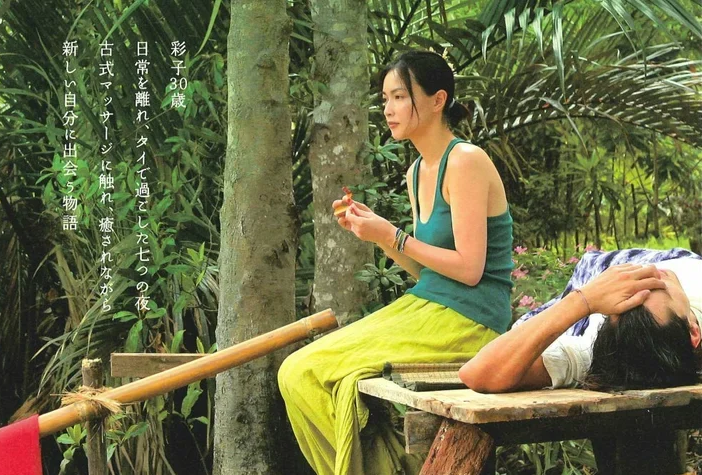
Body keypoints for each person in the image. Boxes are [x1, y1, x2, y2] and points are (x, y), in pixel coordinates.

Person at [278, 50, 514, 474]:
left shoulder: (465, 161)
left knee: (308, 371)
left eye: (400, 97)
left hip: (472, 319)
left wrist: (393, 235)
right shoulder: (416, 172)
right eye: (385, 99)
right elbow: (429, 273)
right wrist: (379, 236)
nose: (388, 109)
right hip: (429, 306)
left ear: (438, 100)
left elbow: (469, 269)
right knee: (297, 373)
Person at [459, 248, 702, 393]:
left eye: (657, 286)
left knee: (524, 328)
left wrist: (584, 300)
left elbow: (478, 373)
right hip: (618, 272)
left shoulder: (595, 351)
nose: (649, 273)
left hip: (599, 276)